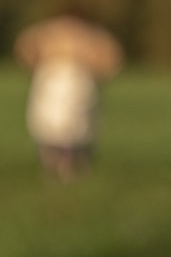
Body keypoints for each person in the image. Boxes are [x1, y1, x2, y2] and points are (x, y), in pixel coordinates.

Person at [13, 15, 123, 181]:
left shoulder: (53, 34)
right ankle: (62, 159)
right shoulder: (85, 36)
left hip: (69, 79)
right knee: (61, 120)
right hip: (62, 79)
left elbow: (26, 47)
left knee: (68, 120)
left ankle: (64, 159)